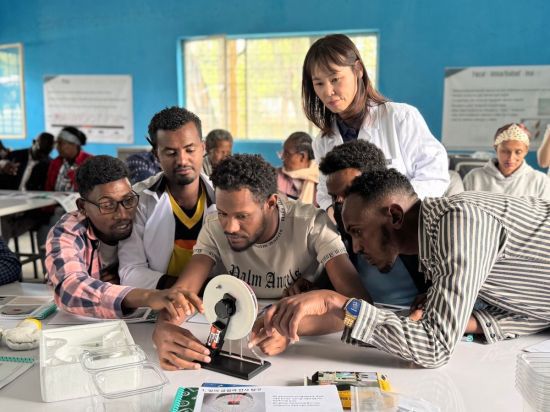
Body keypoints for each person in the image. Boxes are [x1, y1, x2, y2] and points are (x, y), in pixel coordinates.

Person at [259, 168, 550, 368]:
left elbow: (435, 348)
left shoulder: (460, 223)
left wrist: (338, 303)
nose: (356, 247)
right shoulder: (434, 247)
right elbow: (532, 309)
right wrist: (467, 321)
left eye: (358, 232)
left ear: (395, 216)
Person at [152, 154, 369, 370]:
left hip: (301, 351)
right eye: (223, 213)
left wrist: (289, 328)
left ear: (270, 203)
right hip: (238, 341)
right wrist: (163, 328)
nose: (230, 227)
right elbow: (183, 292)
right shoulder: (213, 227)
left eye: (242, 216)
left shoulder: (312, 224)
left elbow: (359, 306)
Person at [302, 34, 449, 212]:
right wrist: (335, 214)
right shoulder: (323, 141)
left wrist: (392, 208)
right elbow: (325, 193)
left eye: (335, 79)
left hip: (403, 221)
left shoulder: (400, 118)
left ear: (358, 70)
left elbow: (434, 175)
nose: (328, 92)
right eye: (319, 83)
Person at [45, 155, 195, 319]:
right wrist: (146, 296)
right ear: (83, 207)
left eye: (128, 200)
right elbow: (70, 288)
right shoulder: (68, 232)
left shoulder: (144, 217)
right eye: (107, 205)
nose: (123, 215)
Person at [118, 107, 216, 290]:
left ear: (203, 148)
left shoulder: (222, 195)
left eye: (190, 149)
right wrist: (182, 289)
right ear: (156, 154)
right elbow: (130, 271)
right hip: (159, 298)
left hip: (217, 298)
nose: (182, 160)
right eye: (171, 153)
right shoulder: (137, 200)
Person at [318, 140, 426, 306]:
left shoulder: (420, 234)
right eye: (334, 197)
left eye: (349, 192)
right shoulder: (341, 238)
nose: (339, 204)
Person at [464, 123, 550, 199]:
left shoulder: (540, 181)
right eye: (505, 151)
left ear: (526, 151)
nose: (511, 158)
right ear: (496, 148)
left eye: (518, 152)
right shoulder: (474, 177)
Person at [0, 132, 55, 240]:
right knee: (3, 220)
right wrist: (2, 166)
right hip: (9, 203)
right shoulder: (15, 156)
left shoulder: (48, 164)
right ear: (34, 142)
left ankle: (4, 246)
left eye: (46, 153)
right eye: (40, 151)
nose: (42, 155)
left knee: (5, 224)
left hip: (29, 210)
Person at [277, 131, 319, 205]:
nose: (282, 157)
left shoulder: (321, 179)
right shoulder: (276, 176)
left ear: (302, 157)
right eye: (283, 153)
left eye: (287, 154)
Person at [45, 126, 92, 192]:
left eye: (60, 143)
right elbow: (48, 189)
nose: (57, 147)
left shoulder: (90, 162)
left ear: (74, 144)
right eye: (56, 143)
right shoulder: (55, 162)